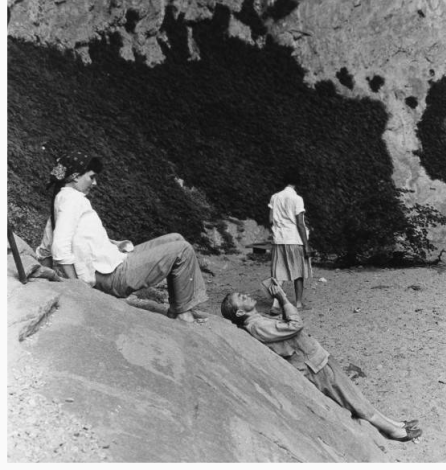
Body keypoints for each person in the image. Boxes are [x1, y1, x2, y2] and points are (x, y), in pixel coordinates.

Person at [221, 283, 422, 442]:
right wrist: (282, 298)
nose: (246, 295)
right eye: (241, 298)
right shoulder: (258, 325)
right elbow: (295, 325)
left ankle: (396, 424)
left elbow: (285, 329)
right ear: (239, 313)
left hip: (315, 359)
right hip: (314, 366)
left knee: (355, 396)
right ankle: (395, 432)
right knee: (355, 402)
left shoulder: (258, 320)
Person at [36, 151, 208, 323]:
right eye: (91, 177)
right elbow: (59, 247)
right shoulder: (73, 200)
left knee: (175, 238)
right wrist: (77, 289)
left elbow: (45, 247)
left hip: (111, 262)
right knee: (182, 249)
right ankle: (183, 313)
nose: (94, 183)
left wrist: (48, 279)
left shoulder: (62, 199)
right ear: (75, 177)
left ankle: (181, 305)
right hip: (112, 276)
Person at [268, 168, 311, 314]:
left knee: (278, 273)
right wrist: (306, 245)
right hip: (294, 238)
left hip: (278, 238)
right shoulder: (297, 199)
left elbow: (270, 219)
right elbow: (300, 223)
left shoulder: (275, 197)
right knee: (298, 272)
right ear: (296, 182)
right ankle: (298, 303)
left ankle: (275, 304)